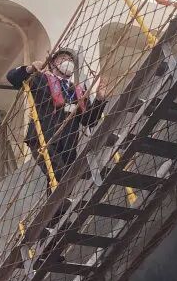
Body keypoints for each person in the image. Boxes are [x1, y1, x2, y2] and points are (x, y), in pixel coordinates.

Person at [6, 48, 105, 191]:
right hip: (44, 137)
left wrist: (99, 99)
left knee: (58, 182)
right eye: (63, 59)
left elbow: (89, 120)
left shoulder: (77, 92)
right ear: (52, 64)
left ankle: (56, 205)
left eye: (70, 60)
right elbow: (13, 78)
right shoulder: (40, 79)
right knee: (60, 175)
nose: (68, 62)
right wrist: (30, 69)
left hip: (68, 143)